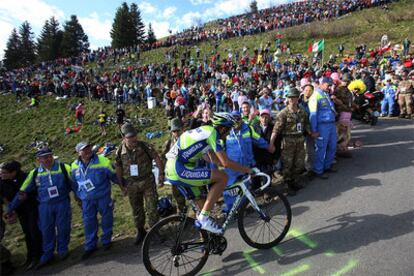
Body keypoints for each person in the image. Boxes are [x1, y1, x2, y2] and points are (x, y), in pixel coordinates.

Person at [165, 113, 255, 234]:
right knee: (222, 178)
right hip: (179, 169)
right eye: (228, 130)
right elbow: (225, 162)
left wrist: (228, 168)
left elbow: (214, 160)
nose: (228, 134)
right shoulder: (212, 133)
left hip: (173, 169)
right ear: (222, 128)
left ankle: (207, 244)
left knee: (203, 206)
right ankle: (203, 219)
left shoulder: (205, 132)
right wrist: (247, 170)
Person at [6, 148, 73, 270]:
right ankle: (48, 254)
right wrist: (11, 208)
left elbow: (75, 184)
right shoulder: (35, 173)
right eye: (44, 157)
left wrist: (81, 198)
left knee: (63, 227)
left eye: (49, 156)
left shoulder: (64, 167)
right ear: (38, 160)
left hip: (62, 203)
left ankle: (63, 250)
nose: (47, 159)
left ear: (52, 156)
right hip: (44, 206)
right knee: (46, 230)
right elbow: (23, 191)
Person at [115, 124, 164, 245]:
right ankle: (141, 231)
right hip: (132, 184)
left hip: (147, 181)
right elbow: (118, 167)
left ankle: (155, 231)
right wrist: (121, 185)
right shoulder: (120, 151)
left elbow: (157, 158)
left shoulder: (144, 146)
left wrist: (161, 174)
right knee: (136, 210)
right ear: (123, 137)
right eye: (130, 137)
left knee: (152, 207)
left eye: (134, 135)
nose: (133, 139)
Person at [71, 142, 120, 259]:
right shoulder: (74, 166)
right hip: (86, 200)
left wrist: (123, 185)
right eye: (84, 149)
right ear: (79, 152)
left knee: (107, 219)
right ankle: (90, 245)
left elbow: (114, 176)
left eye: (88, 148)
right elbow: (73, 183)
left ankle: (106, 241)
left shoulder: (103, 161)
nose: (87, 151)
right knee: (89, 222)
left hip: (102, 196)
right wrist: (78, 195)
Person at [223, 111, 269, 213]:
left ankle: (242, 209)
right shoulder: (225, 132)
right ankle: (231, 211)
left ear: (241, 119)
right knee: (230, 190)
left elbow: (258, 139)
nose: (236, 121)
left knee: (244, 188)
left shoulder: (248, 128)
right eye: (233, 119)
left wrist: (268, 146)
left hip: (246, 166)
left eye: (238, 118)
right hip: (232, 168)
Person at [0, 161, 42, 270]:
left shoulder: (25, 177)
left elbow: (36, 191)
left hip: (32, 209)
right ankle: (30, 257)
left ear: (13, 172)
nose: (1, 175)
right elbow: (3, 197)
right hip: (20, 211)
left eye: (4, 173)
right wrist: (10, 212)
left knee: (34, 232)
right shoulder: (2, 182)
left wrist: (28, 196)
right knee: (27, 233)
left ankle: (39, 256)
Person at [270, 88, 311, 195]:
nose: (292, 99)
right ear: (287, 99)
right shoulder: (283, 113)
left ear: (298, 98)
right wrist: (271, 143)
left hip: (300, 140)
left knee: (299, 164)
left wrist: (312, 133)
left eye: (294, 97)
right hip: (288, 142)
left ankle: (294, 181)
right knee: (288, 165)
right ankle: (287, 186)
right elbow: (276, 130)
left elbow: (306, 124)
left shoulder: (302, 111)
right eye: (290, 97)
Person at [308, 77, 337, 179]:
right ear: (322, 83)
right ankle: (318, 170)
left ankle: (327, 166)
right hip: (322, 126)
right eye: (328, 85)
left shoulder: (326, 94)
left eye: (330, 85)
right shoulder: (315, 96)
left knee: (333, 146)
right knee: (321, 149)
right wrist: (314, 130)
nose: (329, 87)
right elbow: (313, 115)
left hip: (331, 124)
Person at [162, 118, 187, 214]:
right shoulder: (168, 143)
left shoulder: (188, 139)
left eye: (178, 130)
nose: (176, 133)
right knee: (178, 196)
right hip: (175, 173)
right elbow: (163, 157)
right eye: (174, 131)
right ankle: (182, 215)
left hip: (189, 171)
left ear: (182, 129)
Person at [332, 73, 353, 158]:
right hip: (340, 113)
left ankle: (343, 150)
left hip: (347, 113)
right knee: (340, 134)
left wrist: (353, 106)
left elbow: (349, 102)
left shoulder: (347, 90)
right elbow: (336, 102)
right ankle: (337, 151)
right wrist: (347, 107)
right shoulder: (338, 90)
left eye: (348, 81)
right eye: (345, 80)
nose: (347, 82)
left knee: (346, 134)